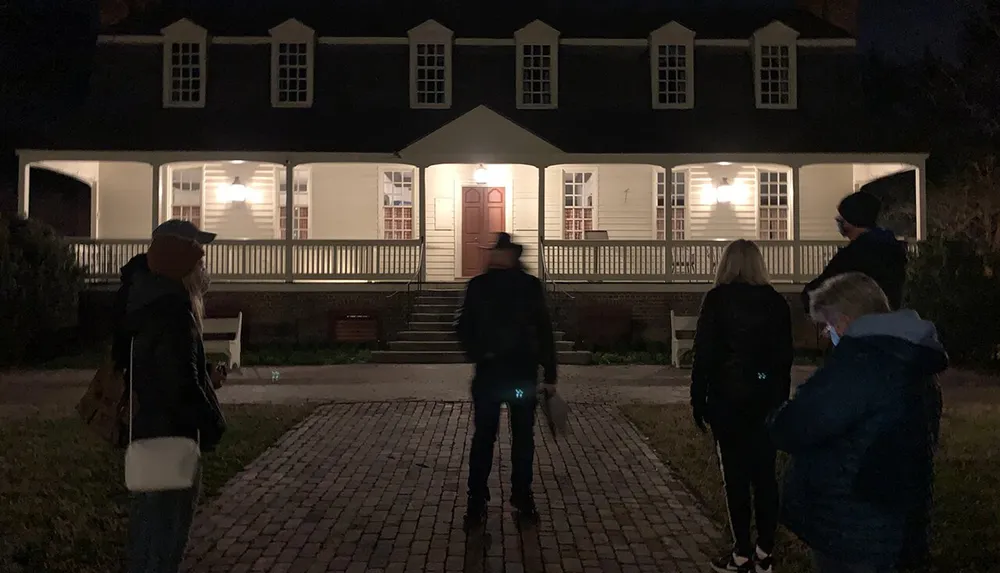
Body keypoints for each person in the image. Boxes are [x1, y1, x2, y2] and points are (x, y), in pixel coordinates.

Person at [770, 272, 945, 573]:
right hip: (896, 519)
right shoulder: (910, 358)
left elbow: (796, 425)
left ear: (845, 320)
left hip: (852, 526)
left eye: (827, 326)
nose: (828, 335)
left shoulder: (860, 364)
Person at [122, 225, 228, 573]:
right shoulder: (174, 315)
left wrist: (204, 377)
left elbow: (170, 371)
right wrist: (213, 424)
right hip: (171, 438)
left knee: (149, 530)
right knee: (164, 537)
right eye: (200, 266)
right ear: (183, 270)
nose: (206, 272)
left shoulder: (151, 306)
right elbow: (179, 386)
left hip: (150, 433)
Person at [690, 239, 794, 573]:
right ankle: (765, 551)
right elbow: (783, 358)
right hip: (764, 400)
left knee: (735, 479)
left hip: (727, 399)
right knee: (765, 476)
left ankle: (742, 552)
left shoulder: (717, 300)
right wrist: (776, 392)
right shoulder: (776, 303)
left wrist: (698, 396)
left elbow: (704, 353)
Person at [455, 233, 558, 531]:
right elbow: (463, 327)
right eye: (494, 252)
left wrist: (550, 374)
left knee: (522, 437)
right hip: (491, 376)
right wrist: (479, 351)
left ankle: (521, 494)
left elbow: (543, 330)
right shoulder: (479, 286)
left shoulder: (527, 287)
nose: (495, 257)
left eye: (500, 252)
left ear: (511, 255)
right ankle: (477, 498)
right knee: (485, 438)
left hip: (518, 377)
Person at [801, 191, 908, 312]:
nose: (838, 220)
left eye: (842, 217)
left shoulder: (853, 256)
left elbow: (819, 290)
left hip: (861, 323)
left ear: (852, 220)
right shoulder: (893, 249)